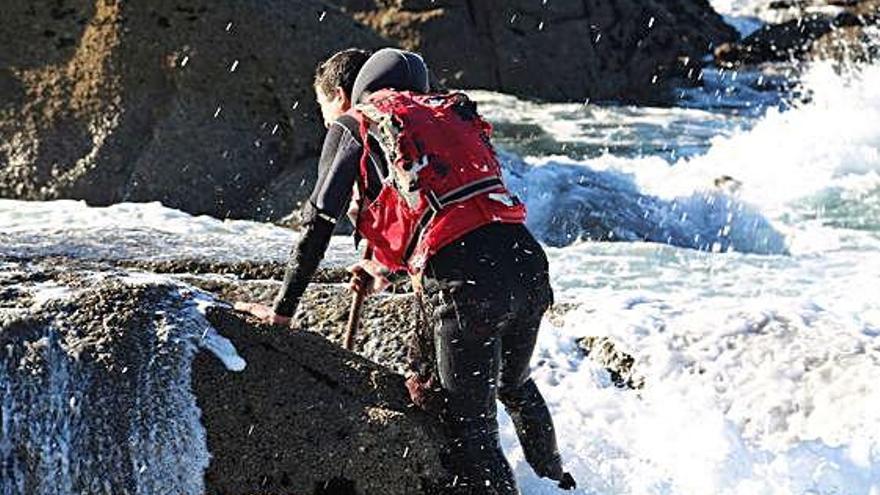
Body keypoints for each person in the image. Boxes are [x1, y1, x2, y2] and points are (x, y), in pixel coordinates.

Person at [236, 47, 576, 494]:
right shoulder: (441, 118)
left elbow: (318, 222)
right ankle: (561, 485)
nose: (325, 121)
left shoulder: (352, 122)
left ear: (341, 95)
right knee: (514, 386)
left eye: (322, 109)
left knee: (470, 434)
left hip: (467, 283)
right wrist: (380, 268)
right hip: (526, 263)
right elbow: (450, 212)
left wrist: (282, 311)